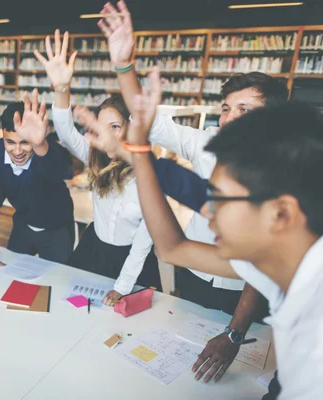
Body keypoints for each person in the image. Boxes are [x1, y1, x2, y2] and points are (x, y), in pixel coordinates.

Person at [83, 65, 323, 400]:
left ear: (280, 211)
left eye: (221, 202)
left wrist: (235, 335)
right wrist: (135, 152)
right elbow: (172, 249)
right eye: (226, 108)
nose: (209, 216)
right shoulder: (276, 256)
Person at [97, 0, 285, 382]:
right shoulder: (205, 144)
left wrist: (234, 332)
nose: (230, 118)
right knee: (182, 362)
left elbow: (263, 266)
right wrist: (124, 65)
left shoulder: (285, 180)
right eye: (227, 108)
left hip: (245, 296)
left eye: (245, 111)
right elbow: (145, 118)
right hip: (196, 274)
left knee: (240, 378)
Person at [33, 29, 162, 302]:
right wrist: (61, 88)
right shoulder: (95, 157)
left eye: (115, 127)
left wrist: (123, 286)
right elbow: (66, 132)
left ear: (131, 128)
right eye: (102, 127)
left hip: (133, 262)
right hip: (93, 249)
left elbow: (143, 242)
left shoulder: (148, 175)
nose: (107, 136)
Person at [0, 90, 75, 269]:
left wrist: (39, 145)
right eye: (10, 142)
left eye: (25, 142)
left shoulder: (45, 149)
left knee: (57, 278)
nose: (17, 151)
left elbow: (65, 171)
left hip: (56, 227)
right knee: (12, 273)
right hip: (23, 223)